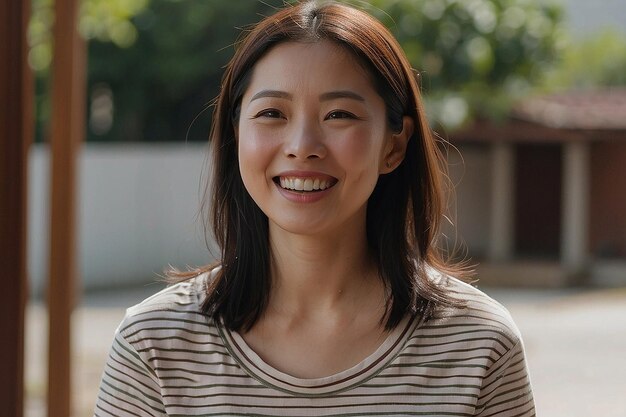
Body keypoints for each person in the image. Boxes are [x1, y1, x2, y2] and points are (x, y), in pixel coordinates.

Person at [94, 1, 535, 416]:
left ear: (394, 145)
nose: (302, 147)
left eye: (339, 115)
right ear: (235, 137)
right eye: (272, 113)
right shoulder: (152, 345)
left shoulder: (479, 344)